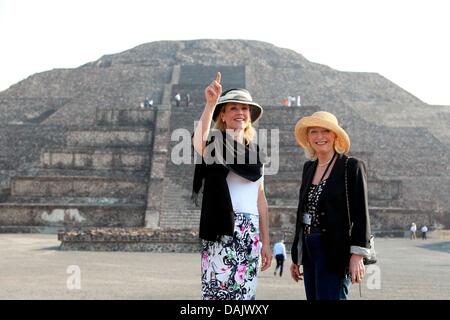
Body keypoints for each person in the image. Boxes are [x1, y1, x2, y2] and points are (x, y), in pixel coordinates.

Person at [192, 72, 272, 300]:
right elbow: (198, 143)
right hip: (221, 228)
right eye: (233, 108)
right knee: (217, 293)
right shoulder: (214, 144)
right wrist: (210, 104)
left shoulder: (257, 154)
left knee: (245, 295)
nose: (240, 112)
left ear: (249, 116)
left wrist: (266, 242)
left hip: (250, 231)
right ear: (224, 116)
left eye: (244, 108)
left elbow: (261, 200)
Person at [289, 111, 372, 300]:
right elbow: (303, 212)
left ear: (335, 135)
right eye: (313, 132)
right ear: (308, 138)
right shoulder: (308, 168)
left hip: (334, 249)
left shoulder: (351, 167)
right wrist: (297, 255)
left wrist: (357, 255)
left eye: (325, 131)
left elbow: (361, 213)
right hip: (310, 249)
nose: (319, 137)